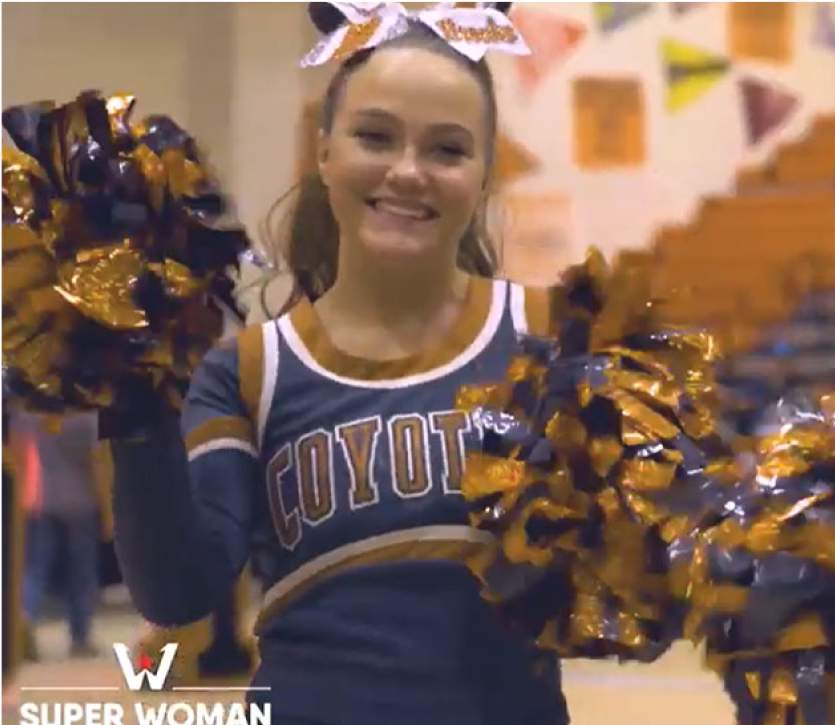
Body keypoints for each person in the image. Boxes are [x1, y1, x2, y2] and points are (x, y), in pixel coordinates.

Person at [104, 6, 567, 724]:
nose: (408, 172)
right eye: (375, 136)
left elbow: (647, 579)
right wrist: (132, 392)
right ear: (324, 151)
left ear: (485, 175)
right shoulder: (251, 370)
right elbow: (178, 591)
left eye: (447, 150)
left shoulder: (550, 340)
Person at [11, 410, 104, 660]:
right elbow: (97, 462)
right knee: (82, 573)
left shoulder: (28, 414)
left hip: (40, 500)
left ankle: (23, 619)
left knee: (35, 569)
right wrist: (107, 509)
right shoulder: (87, 417)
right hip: (81, 501)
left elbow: (18, 457)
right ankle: (80, 639)